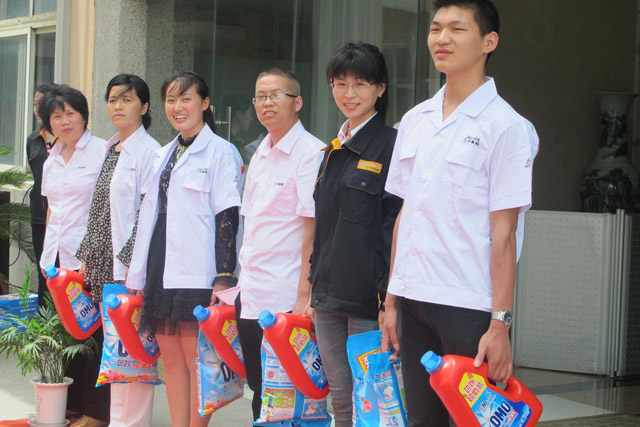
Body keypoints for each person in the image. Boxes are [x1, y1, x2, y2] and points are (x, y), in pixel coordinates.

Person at [381, 1, 540, 425]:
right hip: (413, 301)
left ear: (489, 42)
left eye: (457, 28)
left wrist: (500, 324)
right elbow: (405, 215)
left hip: (468, 305)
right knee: (421, 420)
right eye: (436, 29)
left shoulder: (506, 126)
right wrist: (391, 301)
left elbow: (505, 232)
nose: (442, 38)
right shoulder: (415, 120)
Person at [126, 71, 241, 427]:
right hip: (161, 262)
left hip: (198, 267)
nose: (178, 107)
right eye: (171, 100)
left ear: (205, 103)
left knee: (197, 359)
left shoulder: (221, 151)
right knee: (171, 359)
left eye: (186, 98)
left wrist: (224, 276)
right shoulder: (163, 153)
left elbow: (228, 216)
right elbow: (148, 216)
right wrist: (138, 275)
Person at [307, 42, 402, 426]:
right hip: (327, 299)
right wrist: (313, 287)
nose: (349, 93)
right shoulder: (331, 151)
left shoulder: (392, 146)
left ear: (380, 88)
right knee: (341, 401)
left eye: (360, 84)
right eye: (340, 83)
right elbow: (323, 226)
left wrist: (387, 301)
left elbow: (393, 230)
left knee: (373, 403)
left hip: (368, 303)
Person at [235, 68, 324, 421]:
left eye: (275, 95)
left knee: (290, 394)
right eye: (260, 96)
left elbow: (313, 231)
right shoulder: (259, 152)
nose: (266, 103)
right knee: (260, 389)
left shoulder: (310, 152)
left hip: (287, 296)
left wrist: (304, 297)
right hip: (251, 293)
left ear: (297, 102)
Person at [75, 74, 160, 427]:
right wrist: (87, 258)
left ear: (144, 106)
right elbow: (98, 210)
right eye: (112, 100)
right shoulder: (112, 148)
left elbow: (147, 216)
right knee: (115, 356)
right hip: (102, 268)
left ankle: (133, 422)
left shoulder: (150, 152)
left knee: (133, 355)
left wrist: (128, 265)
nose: (118, 106)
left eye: (127, 99)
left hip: (128, 272)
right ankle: (117, 421)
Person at [38, 85, 110, 427]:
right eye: (57, 116)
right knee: (67, 334)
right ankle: (72, 403)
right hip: (56, 262)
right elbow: (52, 209)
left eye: (71, 113)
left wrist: (94, 255)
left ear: (83, 115)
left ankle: (96, 412)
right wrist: (45, 256)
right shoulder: (51, 159)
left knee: (94, 335)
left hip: (88, 261)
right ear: (48, 122)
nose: (65, 121)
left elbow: (108, 209)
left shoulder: (102, 152)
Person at [26, 83, 59, 308]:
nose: (37, 109)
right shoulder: (33, 140)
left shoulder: (68, 139)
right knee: (43, 273)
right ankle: (44, 321)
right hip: (40, 215)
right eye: (34, 104)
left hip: (64, 217)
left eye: (42, 103)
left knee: (64, 273)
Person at [222, 93, 255, 163]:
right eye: (250, 114)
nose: (251, 119)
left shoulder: (238, 141)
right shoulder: (228, 143)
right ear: (239, 114)